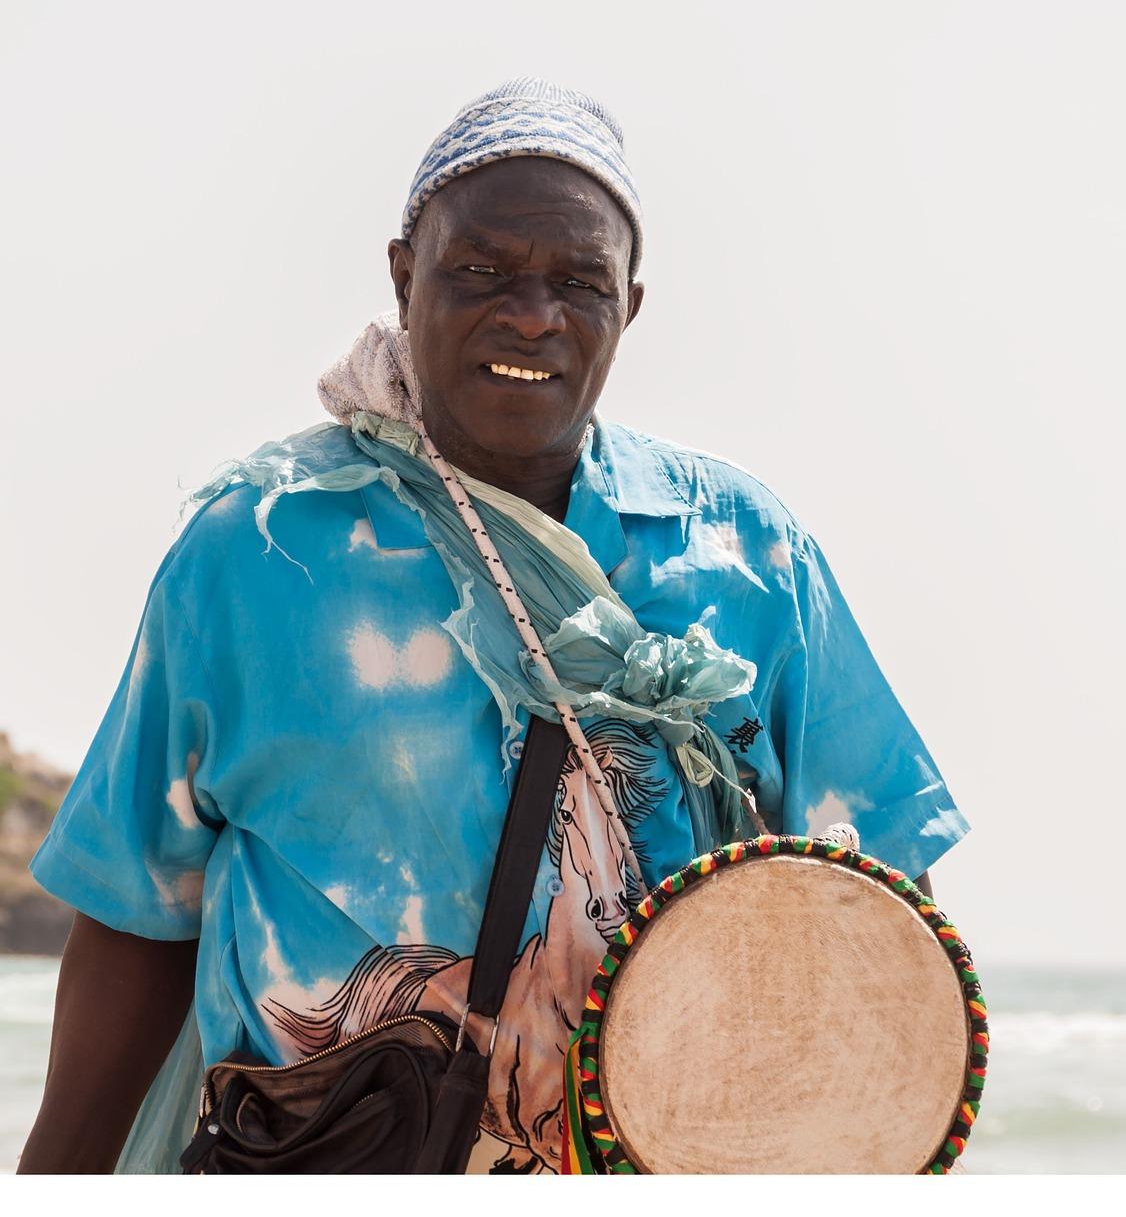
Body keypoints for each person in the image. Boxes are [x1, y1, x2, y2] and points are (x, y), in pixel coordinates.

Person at [19, 77, 967, 1175]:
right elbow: (141, 915)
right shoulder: (258, 550)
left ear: (630, 307)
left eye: (579, 281)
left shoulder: (745, 552)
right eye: (480, 270)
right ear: (401, 273)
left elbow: (879, 928)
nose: (532, 314)